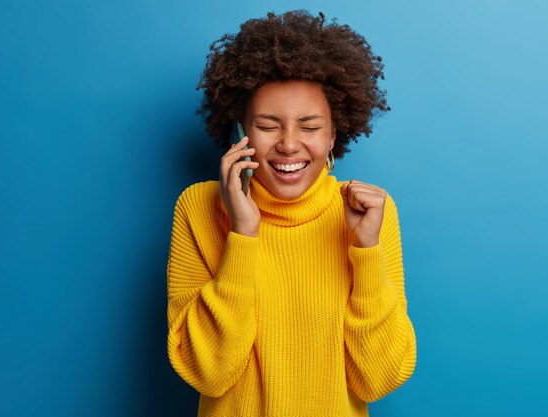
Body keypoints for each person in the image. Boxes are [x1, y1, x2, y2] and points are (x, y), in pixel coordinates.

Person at [167, 10, 416, 416]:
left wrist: (365, 250)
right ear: (239, 132)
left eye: (309, 126)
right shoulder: (198, 208)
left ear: (335, 133)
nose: (288, 144)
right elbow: (207, 373)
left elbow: (379, 377)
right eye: (268, 125)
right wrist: (243, 233)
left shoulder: (369, 215)